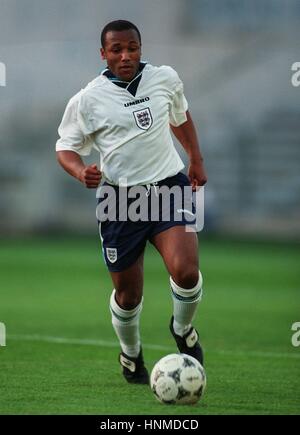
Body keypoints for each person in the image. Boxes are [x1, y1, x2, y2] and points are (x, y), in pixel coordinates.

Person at [56, 20, 207, 385]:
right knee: (127, 294)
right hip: (119, 200)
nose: (126, 56)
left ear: (141, 47)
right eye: (117, 49)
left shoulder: (164, 78)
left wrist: (195, 158)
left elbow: (179, 114)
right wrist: (80, 172)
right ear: (103, 53)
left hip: (169, 188)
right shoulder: (88, 99)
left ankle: (183, 329)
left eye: (132, 48)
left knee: (186, 271)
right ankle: (131, 354)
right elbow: (65, 147)